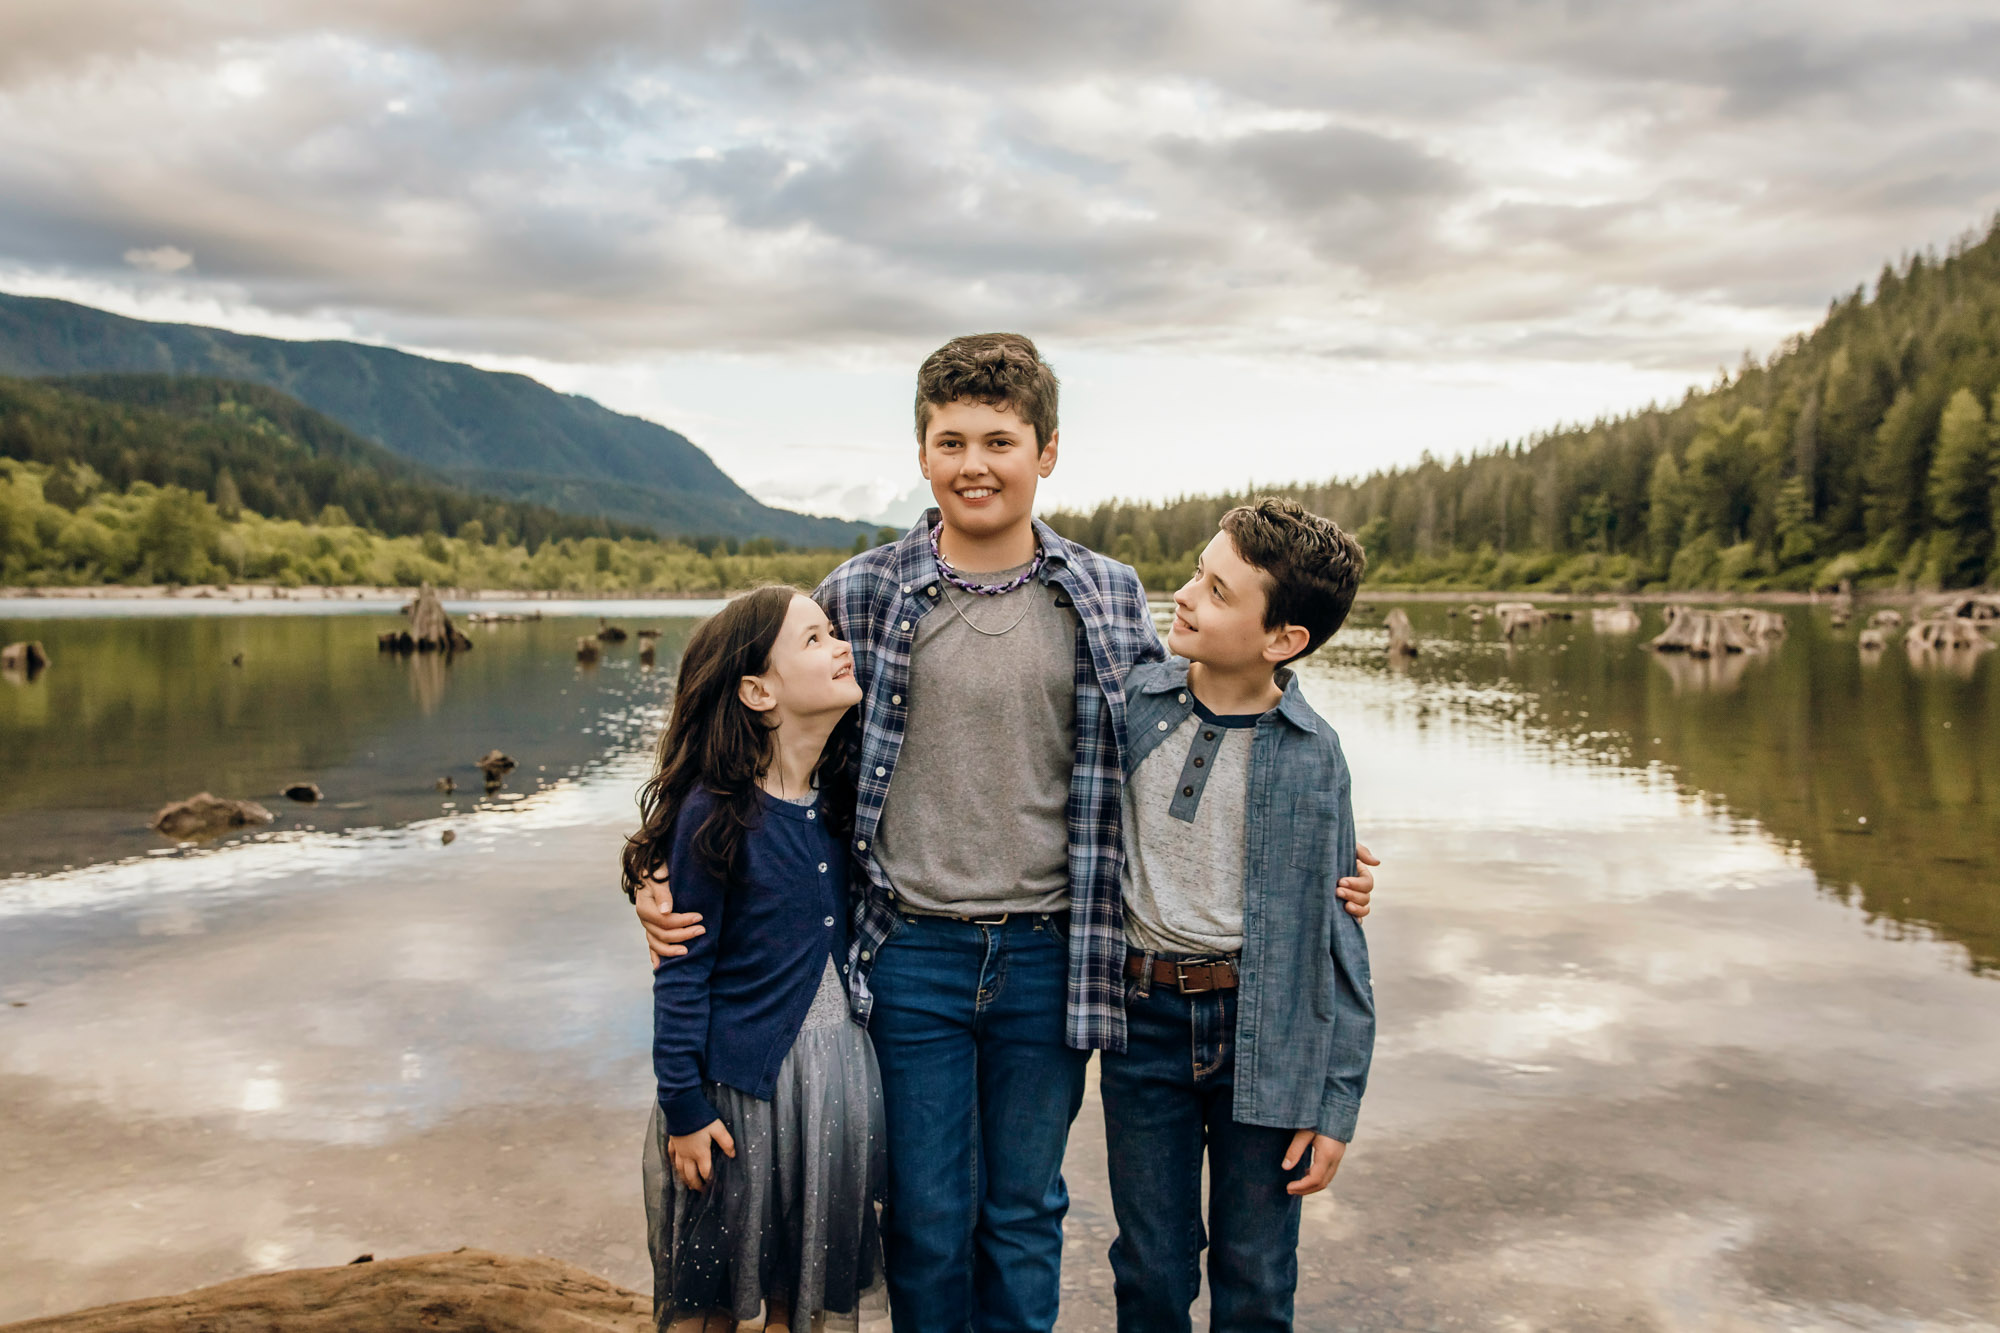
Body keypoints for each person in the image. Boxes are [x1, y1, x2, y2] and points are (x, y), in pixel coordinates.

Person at [636, 334, 1379, 1333]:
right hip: (907, 953)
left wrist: (1319, 855)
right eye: (950, 441)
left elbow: (1221, 700)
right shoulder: (860, 592)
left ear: (1048, 451)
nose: (974, 463)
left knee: (1024, 1212)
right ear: (920, 454)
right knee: (928, 1217)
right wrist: (658, 871)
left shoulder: (1107, 593)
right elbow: (755, 749)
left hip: (1052, 954)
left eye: (999, 439)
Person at [1104, 498, 1374, 1332]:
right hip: (1143, 1022)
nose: (1185, 594)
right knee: (1150, 1266)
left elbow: (1338, 935)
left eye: (1217, 591)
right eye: (1196, 570)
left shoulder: (1312, 751)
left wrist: (1336, 1103)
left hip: (1267, 1034)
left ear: (1282, 639)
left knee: (1256, 1273)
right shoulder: (1132, 707)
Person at [623, 585, 884, 1333]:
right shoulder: (716, 813)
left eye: (835, 631)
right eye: (814, 639)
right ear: (757, 690)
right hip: (739, 1096)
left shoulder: (840, 802)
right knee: (712, 1299)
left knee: (798, 1294)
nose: (841, 646)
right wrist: (683, 1105)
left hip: (833, 1094)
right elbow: (681, 973)